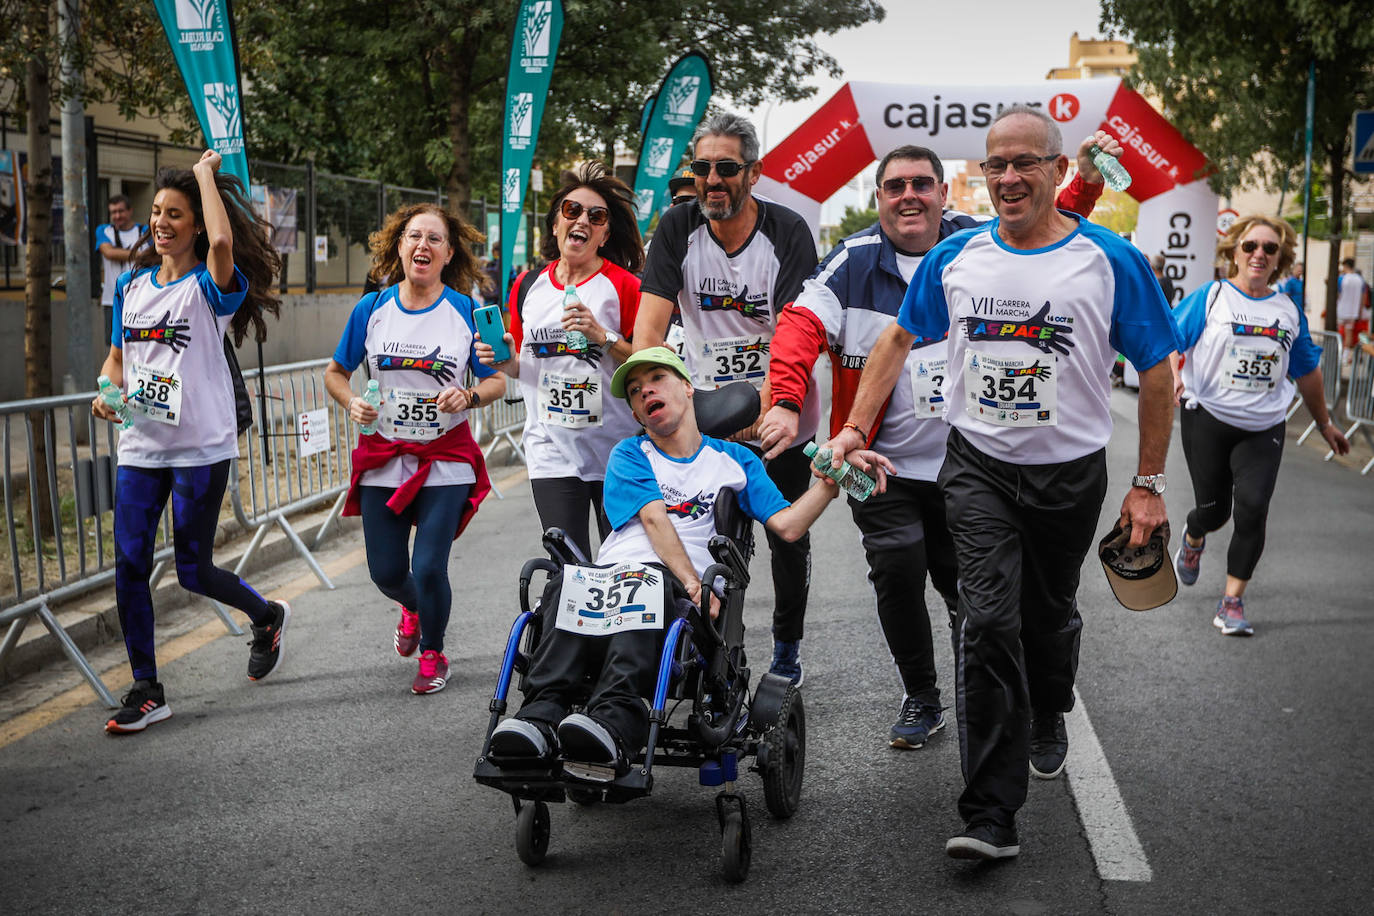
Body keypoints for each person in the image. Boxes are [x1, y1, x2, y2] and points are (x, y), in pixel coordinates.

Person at [822, 106, 1179, 860]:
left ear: (1056, 170)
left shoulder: (1110, 260)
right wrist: (855, 425)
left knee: (1047, 615)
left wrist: (1148, 481)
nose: (1010, 177)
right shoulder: (959, 258)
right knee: (985, 623)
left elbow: (1156, 371)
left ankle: (1050, 705)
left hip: (1068, 475)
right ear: (982, 176)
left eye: (1026, 163)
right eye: (997, 165)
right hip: (978, 467)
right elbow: (896, 338)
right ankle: (990, 813)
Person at [762, 134, 1119, 751]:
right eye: (895, 186)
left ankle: (1010, 701)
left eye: (921, 184)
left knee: (980, 601)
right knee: (896, 573)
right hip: (877, 464)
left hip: (973, 462)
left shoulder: (974, 245)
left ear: (943, 191)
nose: (909, 197)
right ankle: (923, 697)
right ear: (877, 198)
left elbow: (1053, 229)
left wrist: (1084, 182)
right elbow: (799, 325)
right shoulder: (850, 262)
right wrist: (788, 402)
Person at [485, 347, 882, 771]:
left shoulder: (735, 460)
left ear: (687, 387)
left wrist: (827, 485)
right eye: (636, 391)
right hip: (624, 577)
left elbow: (786, 525)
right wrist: (694, 583)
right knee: (565, 582)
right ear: (637, 413)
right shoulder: (630, 454)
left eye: (656, 379)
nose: (645, 392)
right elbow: (654, 521)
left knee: (646, 583)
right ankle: (539, 718)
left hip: (673, 590)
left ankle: (615, 723)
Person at [90, 151, 285, 734]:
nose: (161, 222)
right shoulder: (132, 284)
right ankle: (147, 689)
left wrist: (204, 177)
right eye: (156, 212)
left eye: (175, 213)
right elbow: (119, 358)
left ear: (196, 222)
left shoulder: (207, 286)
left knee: (193, 571)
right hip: (142, 446)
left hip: (201, 447)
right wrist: (105, 390)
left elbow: (224, 247)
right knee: (128, 563)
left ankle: (267, 615)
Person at [633, 112, 820, 684]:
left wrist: (762, 411)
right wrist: (661, 402)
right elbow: (649, 336)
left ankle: (785, 648)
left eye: (727, 169)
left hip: (780, 410)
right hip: (705, 411)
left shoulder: (787, 231)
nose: (712, 180)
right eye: (702, 168)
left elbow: (796, 335)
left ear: (754, 173)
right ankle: (701, 648)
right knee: (701, 533)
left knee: (784, 536)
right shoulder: (677, 227)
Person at [325, 203, 506, 694]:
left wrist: (467, 393)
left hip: (445, 458)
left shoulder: (470, 312)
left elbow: (498, 382)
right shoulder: (372, 309)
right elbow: (336, 373)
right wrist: (352, 403)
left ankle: (433, 650)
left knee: (428, 565)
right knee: (387, 572)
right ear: (399, 246)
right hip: (385, 458)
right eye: (413, 236)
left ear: (448, 254)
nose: (422, 245)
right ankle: (410, 605)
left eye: (434, 239)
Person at [1172, 216, 1350, 635]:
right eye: (1250, 246)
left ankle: (1232, 601)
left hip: (1264, 426)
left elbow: (1306, 371)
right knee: (1216, 511)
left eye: (1269, 249)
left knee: (1252, 509)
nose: (1258, 254)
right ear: (1234, 251)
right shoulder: (1212, 297)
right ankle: (1195, 533)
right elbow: (1170, 341)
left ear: (1280, 260)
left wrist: (1324, 424)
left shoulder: (1287, 310)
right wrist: (1175, 373)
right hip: (1209, 417)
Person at [476, 162, 643, 559]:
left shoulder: (624, 286)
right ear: (555, 225)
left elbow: (654, 361)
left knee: (624, 563)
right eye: (572, 211)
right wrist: (505, 363)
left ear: (604, 235)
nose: (582, 220)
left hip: (616, 451)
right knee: (569, 565)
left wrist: (602, 336)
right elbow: (522, 364)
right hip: (550, 449)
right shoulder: (528, 285)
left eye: (596, 216)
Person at [95, 195, 148, 344]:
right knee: (115, 345)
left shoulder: (144, 231)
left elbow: (156, 257)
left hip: (142, 299)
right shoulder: (104, 230)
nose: (117, 216)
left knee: (141, 343)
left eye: (121, 211)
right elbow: (109, 253)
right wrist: (141, 255)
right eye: (113, 212)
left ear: (130, 211)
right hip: (112, 300)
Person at [1336, 258, 1369, 352]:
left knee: (1340, 333)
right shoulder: (1360, 279)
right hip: (1353, 311)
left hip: (1342, 310)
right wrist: (1359, 311)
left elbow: (1338, 294)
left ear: (1345, 266)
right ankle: (1346, 355)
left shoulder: (1342, 278)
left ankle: (1340, 353)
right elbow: (1363, 297)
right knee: (1349, 332)